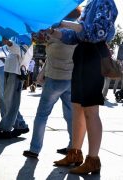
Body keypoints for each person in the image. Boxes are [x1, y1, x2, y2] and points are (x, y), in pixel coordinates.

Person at [50, 0, 118, 174]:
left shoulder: (106, 2)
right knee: (77, 108)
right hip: (82, 56)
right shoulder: (91, 3)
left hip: (94, 57)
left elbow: (97, 32)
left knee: (90, 110)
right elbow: (75, 36)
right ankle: (75, 154)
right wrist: (54, 32)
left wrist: (63, 22)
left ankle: (93, 160)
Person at [23, 9, 80, 159]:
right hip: (70, 80)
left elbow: (49, 54)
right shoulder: (76, 34)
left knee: (42, 115)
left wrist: (41, 75)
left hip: (54, 79)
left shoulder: (55, 33)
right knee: (70, 116)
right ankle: (73, 147)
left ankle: (35, 149)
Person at [0, 36, 32, 139]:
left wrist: (9, 43)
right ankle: (20, 125)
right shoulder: (14, 36)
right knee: (9, 102)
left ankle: (4, 129)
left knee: (11, 102)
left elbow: (23, 52)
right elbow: (5, 51)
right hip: (9, 70)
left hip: (16, 72)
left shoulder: (26, 36)